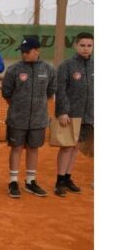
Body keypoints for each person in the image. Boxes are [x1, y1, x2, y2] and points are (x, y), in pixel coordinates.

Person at [2, 37, 56, 198]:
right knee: (16, 148)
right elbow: (6, 93)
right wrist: (19, 107)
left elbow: (50, 91)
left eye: (27, 51)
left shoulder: (48, 69)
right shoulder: (13, 69)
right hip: (17, 118)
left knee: (33, 148)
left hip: (39, 119)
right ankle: (13, 181)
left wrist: (37, 107)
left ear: (37, 51)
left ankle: (30, 181)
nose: (24, 54)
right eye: (22, 52)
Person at [53, 32, 93, 197]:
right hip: (70, 115)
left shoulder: (96, 65)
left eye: (89, 45)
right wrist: (62, 111)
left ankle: (68, 178)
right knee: (67, 147)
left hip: (89, 115)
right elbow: (60, 90)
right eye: (82, 45)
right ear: (76, 46)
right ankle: (59, 181)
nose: (86, 49)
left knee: (76, 147)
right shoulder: (66, 65)